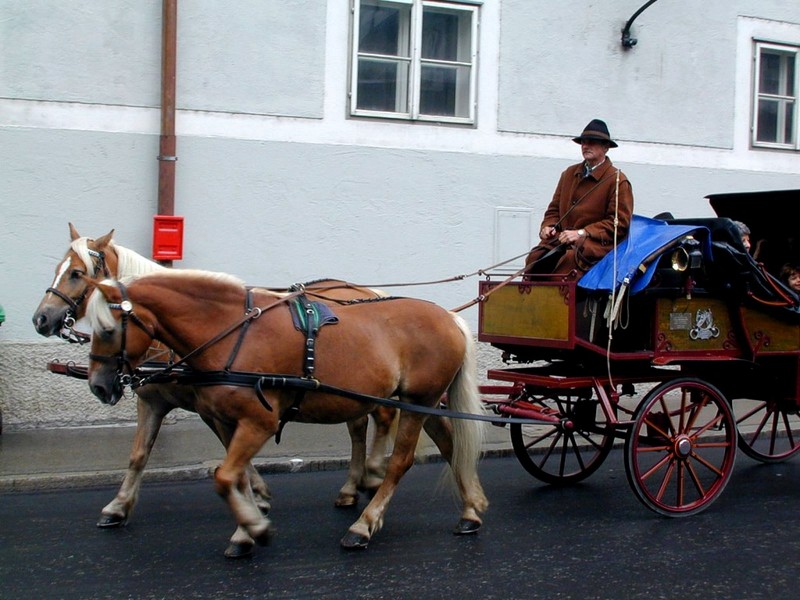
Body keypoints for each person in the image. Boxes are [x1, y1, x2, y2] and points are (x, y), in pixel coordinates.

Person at [525, 119, 634, 277]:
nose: (586, 146)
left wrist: (582, 233)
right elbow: (553, 210)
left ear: (605, 147)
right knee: (535, 258)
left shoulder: (617, 180)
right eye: (583, 142)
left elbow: (619, 224)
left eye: (592, 142)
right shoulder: (569, 174)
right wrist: (548, 227)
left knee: (567, 262)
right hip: (561, 241)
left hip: (594, 246)